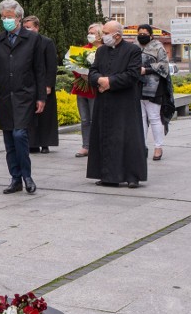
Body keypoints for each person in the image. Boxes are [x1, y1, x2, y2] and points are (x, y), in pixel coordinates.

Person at [0, 0, 46, 195]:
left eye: (9, 17)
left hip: (25, 95)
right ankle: (15, 178)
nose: (6, 21)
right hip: (5, 95)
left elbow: (39, 70)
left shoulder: (33, 39)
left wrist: (41, 97)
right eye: (3, 17)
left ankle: (27, 176)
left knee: (19, 134)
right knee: (8, 138)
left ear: (19, 18)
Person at [87, 20, 147, 188]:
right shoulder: (101, 51)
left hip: (124, 102)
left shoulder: (133, 50)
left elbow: (132, 74)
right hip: (104, 101)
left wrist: (109, 82)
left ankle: (132, 176)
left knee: (128, 139)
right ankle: (108, 176)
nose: (103, 36)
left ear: (117, 35)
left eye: (106, 33)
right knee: (105, 136)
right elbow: (93, 71)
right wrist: (99, 79)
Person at [23, 16, 59, 154]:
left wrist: (49, 84)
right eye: (24, 27)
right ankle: (32, 143)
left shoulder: (46, 42)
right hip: (29, 84)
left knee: (45, 115)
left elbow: (51, 65)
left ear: (36, 27)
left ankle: (45, 143)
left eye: (29, 27)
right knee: (31, 115)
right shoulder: (24, 42)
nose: (26, 30)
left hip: (44, 83)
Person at [137, 24, 170, 161]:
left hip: (154, 88)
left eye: (145, 33)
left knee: (154, 118)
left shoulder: (158, 47)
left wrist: (147, 69)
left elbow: (164, 65)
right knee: (141, 118)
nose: (142, 36)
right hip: (138, 86)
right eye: (139, 33)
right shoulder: (134, 47)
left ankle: (158, 147)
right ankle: (141, 146)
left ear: (151, 35)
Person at [71, 23, 103, 157]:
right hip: (82, 88)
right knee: (85, 119)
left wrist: (93, 77)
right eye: (89, 32)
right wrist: (81, 74)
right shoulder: (83, 49)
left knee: (96, 118)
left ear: (100, 35)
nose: (89, 35)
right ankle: (86, 146)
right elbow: (74, 64)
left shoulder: (104, 50)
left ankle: (97, 145)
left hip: (96, 88)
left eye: (93, 33)